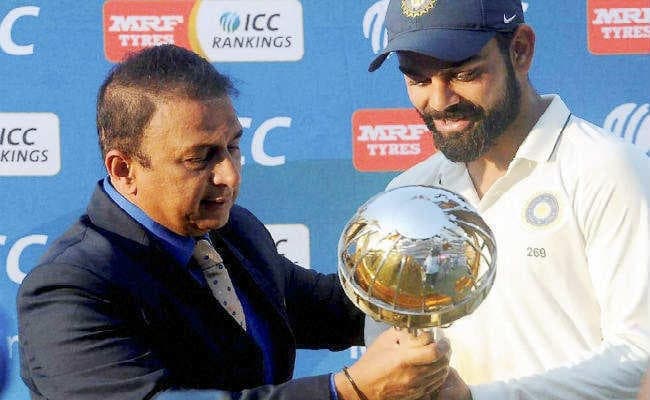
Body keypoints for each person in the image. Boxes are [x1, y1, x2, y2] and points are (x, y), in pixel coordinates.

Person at [17, 44, 451, 400]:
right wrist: (348, 390)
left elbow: (334, 308)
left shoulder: (234, 232)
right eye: (199, 157)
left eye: (233, 147)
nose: (229, 175)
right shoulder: (69, 289)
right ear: (124, 170)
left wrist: (443, 284)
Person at [364, 0, 650, 399]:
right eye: (418, 80)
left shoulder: (607, 169)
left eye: (463, 74)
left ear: (520, 50)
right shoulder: (409, 193)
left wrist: (477, 398)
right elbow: (388, 357)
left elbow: (641, 357)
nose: (440, 101)